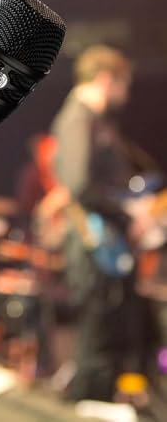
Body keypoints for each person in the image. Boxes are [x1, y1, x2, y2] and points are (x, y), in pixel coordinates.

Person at [50, 45, 157, 402]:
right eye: (124, 84)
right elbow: (79, 185)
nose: (126, 94)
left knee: (112, 336)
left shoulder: (98, 124)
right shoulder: (77, 119)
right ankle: (88, 405)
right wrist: (127, 216)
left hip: (108, 246)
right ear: (107, 79)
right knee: (97, 339)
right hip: (94, 246)